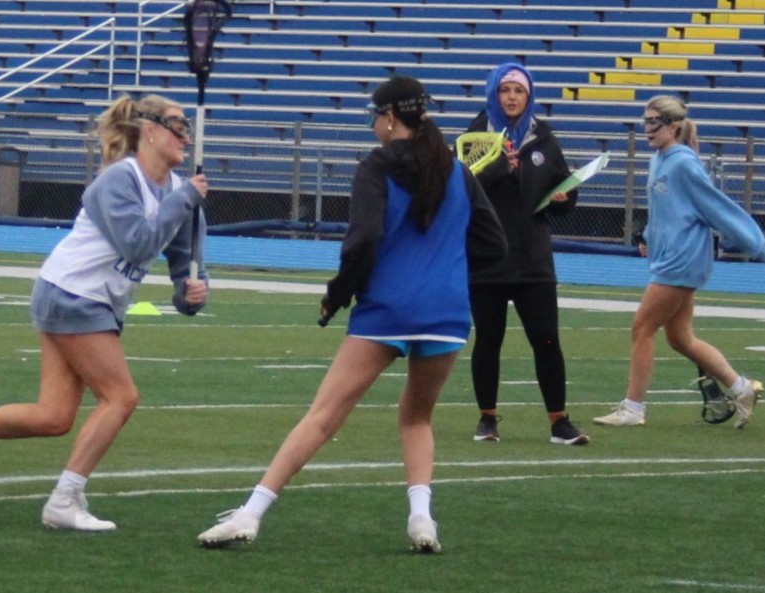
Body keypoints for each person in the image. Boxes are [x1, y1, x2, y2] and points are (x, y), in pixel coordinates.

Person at [197, 75, 506, 553]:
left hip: (387, 310)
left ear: (388, 118)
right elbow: (493, 245)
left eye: (373, 116)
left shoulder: (375, 168)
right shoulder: (458, 172)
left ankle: (251, 512)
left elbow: (363, 241)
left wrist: (336, 296)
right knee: (417, 417)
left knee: (322, 417)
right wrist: (445, 270)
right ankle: (422, 519)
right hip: (446, 314)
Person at [0, 93, 209, 530]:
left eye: (187, 127)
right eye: (178, 125)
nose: (186, 137)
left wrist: (192, 292)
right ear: (150, 130)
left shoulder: (181, 193)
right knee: (121, 397)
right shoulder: (118, 181)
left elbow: (185, 262)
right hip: (72, 293)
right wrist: (186, 201)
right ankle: (65, 499)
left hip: (90, 299)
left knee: (53, 417)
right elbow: (139, 243)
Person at [593, 95, 764, 428]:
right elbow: (666, 213)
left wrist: (752, 241)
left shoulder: (683, 163)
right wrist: (649, 240)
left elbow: (714, 206)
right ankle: (741, 388)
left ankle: (633, 408)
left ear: (672, 126)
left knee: (642, 327)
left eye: (653, 122)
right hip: (669, 258)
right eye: (644, 121)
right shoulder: (659, 159)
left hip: (682, 262)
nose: (646, 129)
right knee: (680, 338)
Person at [463, 62, 588, 445]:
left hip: (533, 259)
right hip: (487, 258)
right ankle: (487, 419)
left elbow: (560, 189)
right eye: (505, 90)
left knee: (547, 339)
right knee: (488, 339)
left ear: (529, 96)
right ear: (493, 95)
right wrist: (502, 167)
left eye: (519, 91)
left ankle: (559, 422)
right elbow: (465, 191)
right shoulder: (474, 137)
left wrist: (566, 199)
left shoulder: (544, 138)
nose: (512, 97)